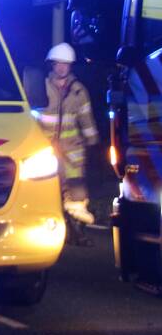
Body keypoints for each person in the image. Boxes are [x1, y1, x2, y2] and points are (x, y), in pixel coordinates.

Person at [37, 42, 99, 245]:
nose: (61, 67)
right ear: (52, 65)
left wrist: (93, 142)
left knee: (77, 195)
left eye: (65, 64)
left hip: (72, 151)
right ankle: (51, 232)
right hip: (45, 150)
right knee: (46, 192)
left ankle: (79, 233)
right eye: (58, 64)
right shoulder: (41, 87)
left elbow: (86, 119)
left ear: (71, 65)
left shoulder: (78, 91)